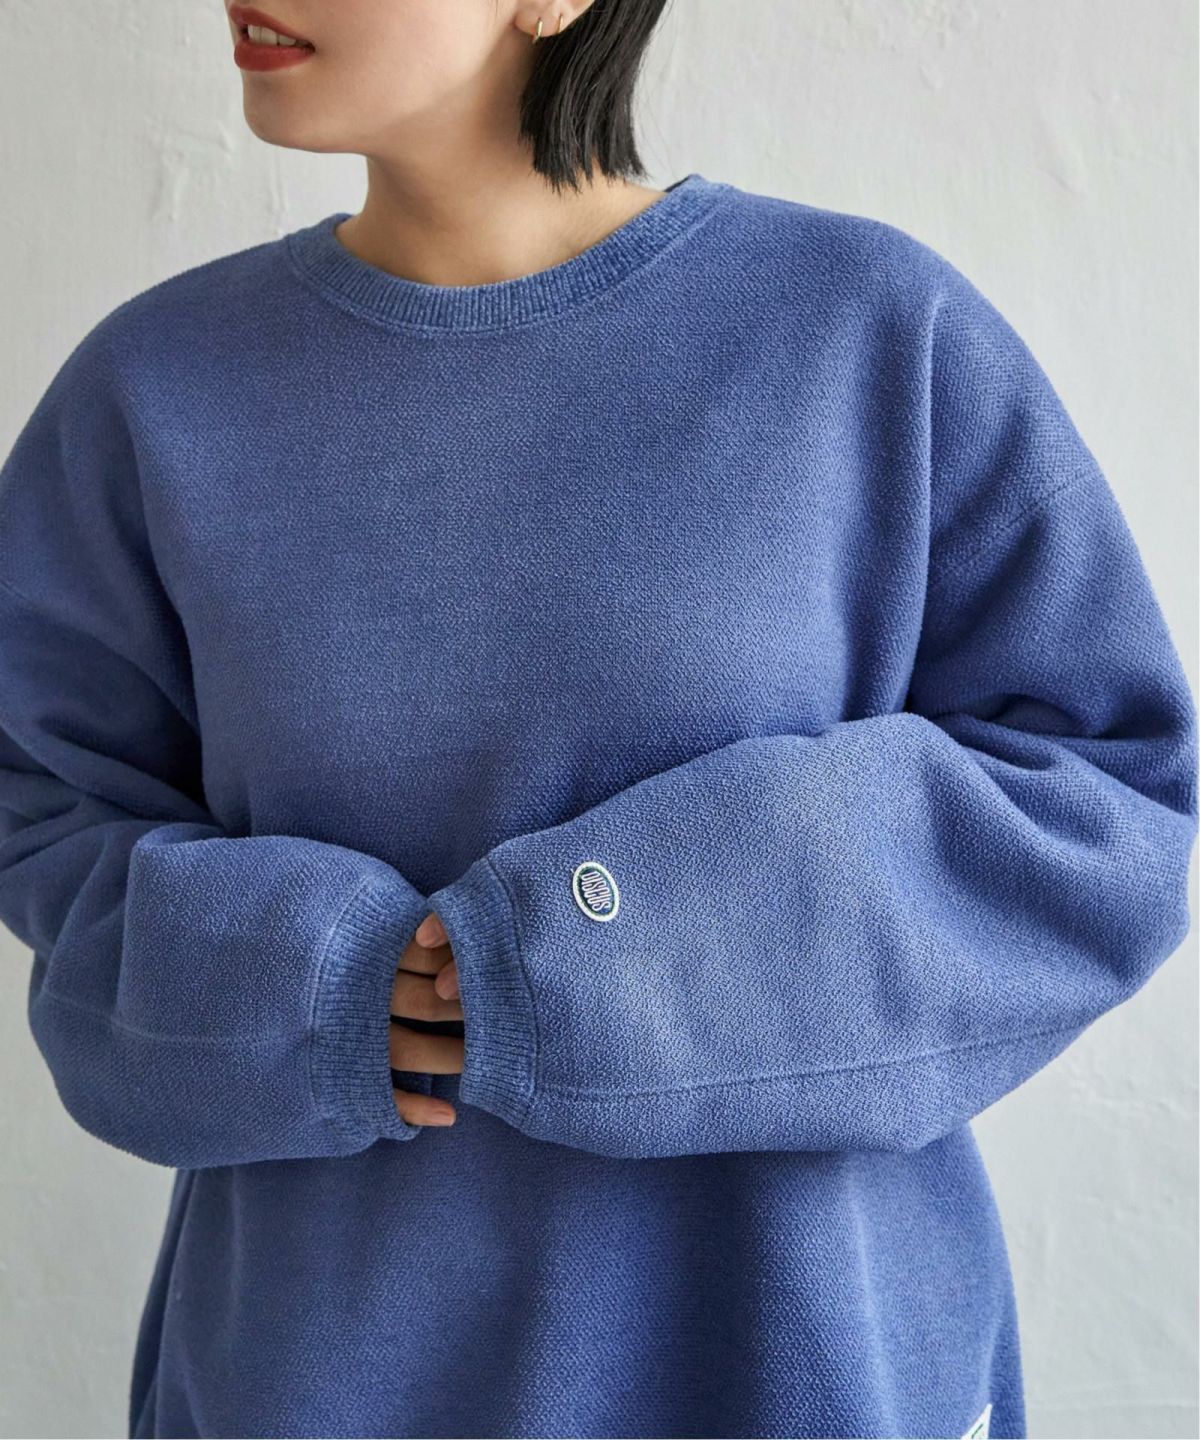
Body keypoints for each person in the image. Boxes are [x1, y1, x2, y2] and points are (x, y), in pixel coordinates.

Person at [0, 2, 1194, 1437]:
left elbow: (1110, 800)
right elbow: (40, 803)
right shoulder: (157, 390)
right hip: (314, 1375)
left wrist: (599, 951)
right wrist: (305, 982)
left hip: (793, 1365)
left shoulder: (862, 330)